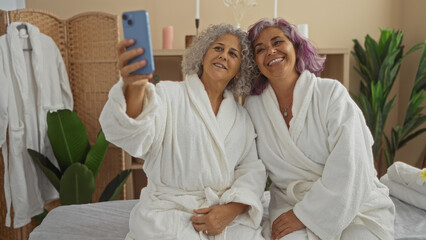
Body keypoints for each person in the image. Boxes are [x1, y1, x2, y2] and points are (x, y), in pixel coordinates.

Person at [99, 24, 266, 240]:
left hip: (221, 212)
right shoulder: (168, 95)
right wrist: (135, 88)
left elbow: (251, 170)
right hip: (169, 211)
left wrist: (230, 210)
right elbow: (137, 135)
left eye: (233, 54)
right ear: (203, 54)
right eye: (218, 48)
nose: (224, 56)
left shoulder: (241, 118)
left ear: (239, 69)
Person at [244, 18, 395, 240]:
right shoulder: (254, 107)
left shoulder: (331, 93)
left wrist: (305, 215)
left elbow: (353, 163)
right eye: (260, 49)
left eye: (278, 42)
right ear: (254, 61)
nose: (271, 51)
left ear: (295, 47)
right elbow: (248, 164)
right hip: (291, 203)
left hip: (355, 202)